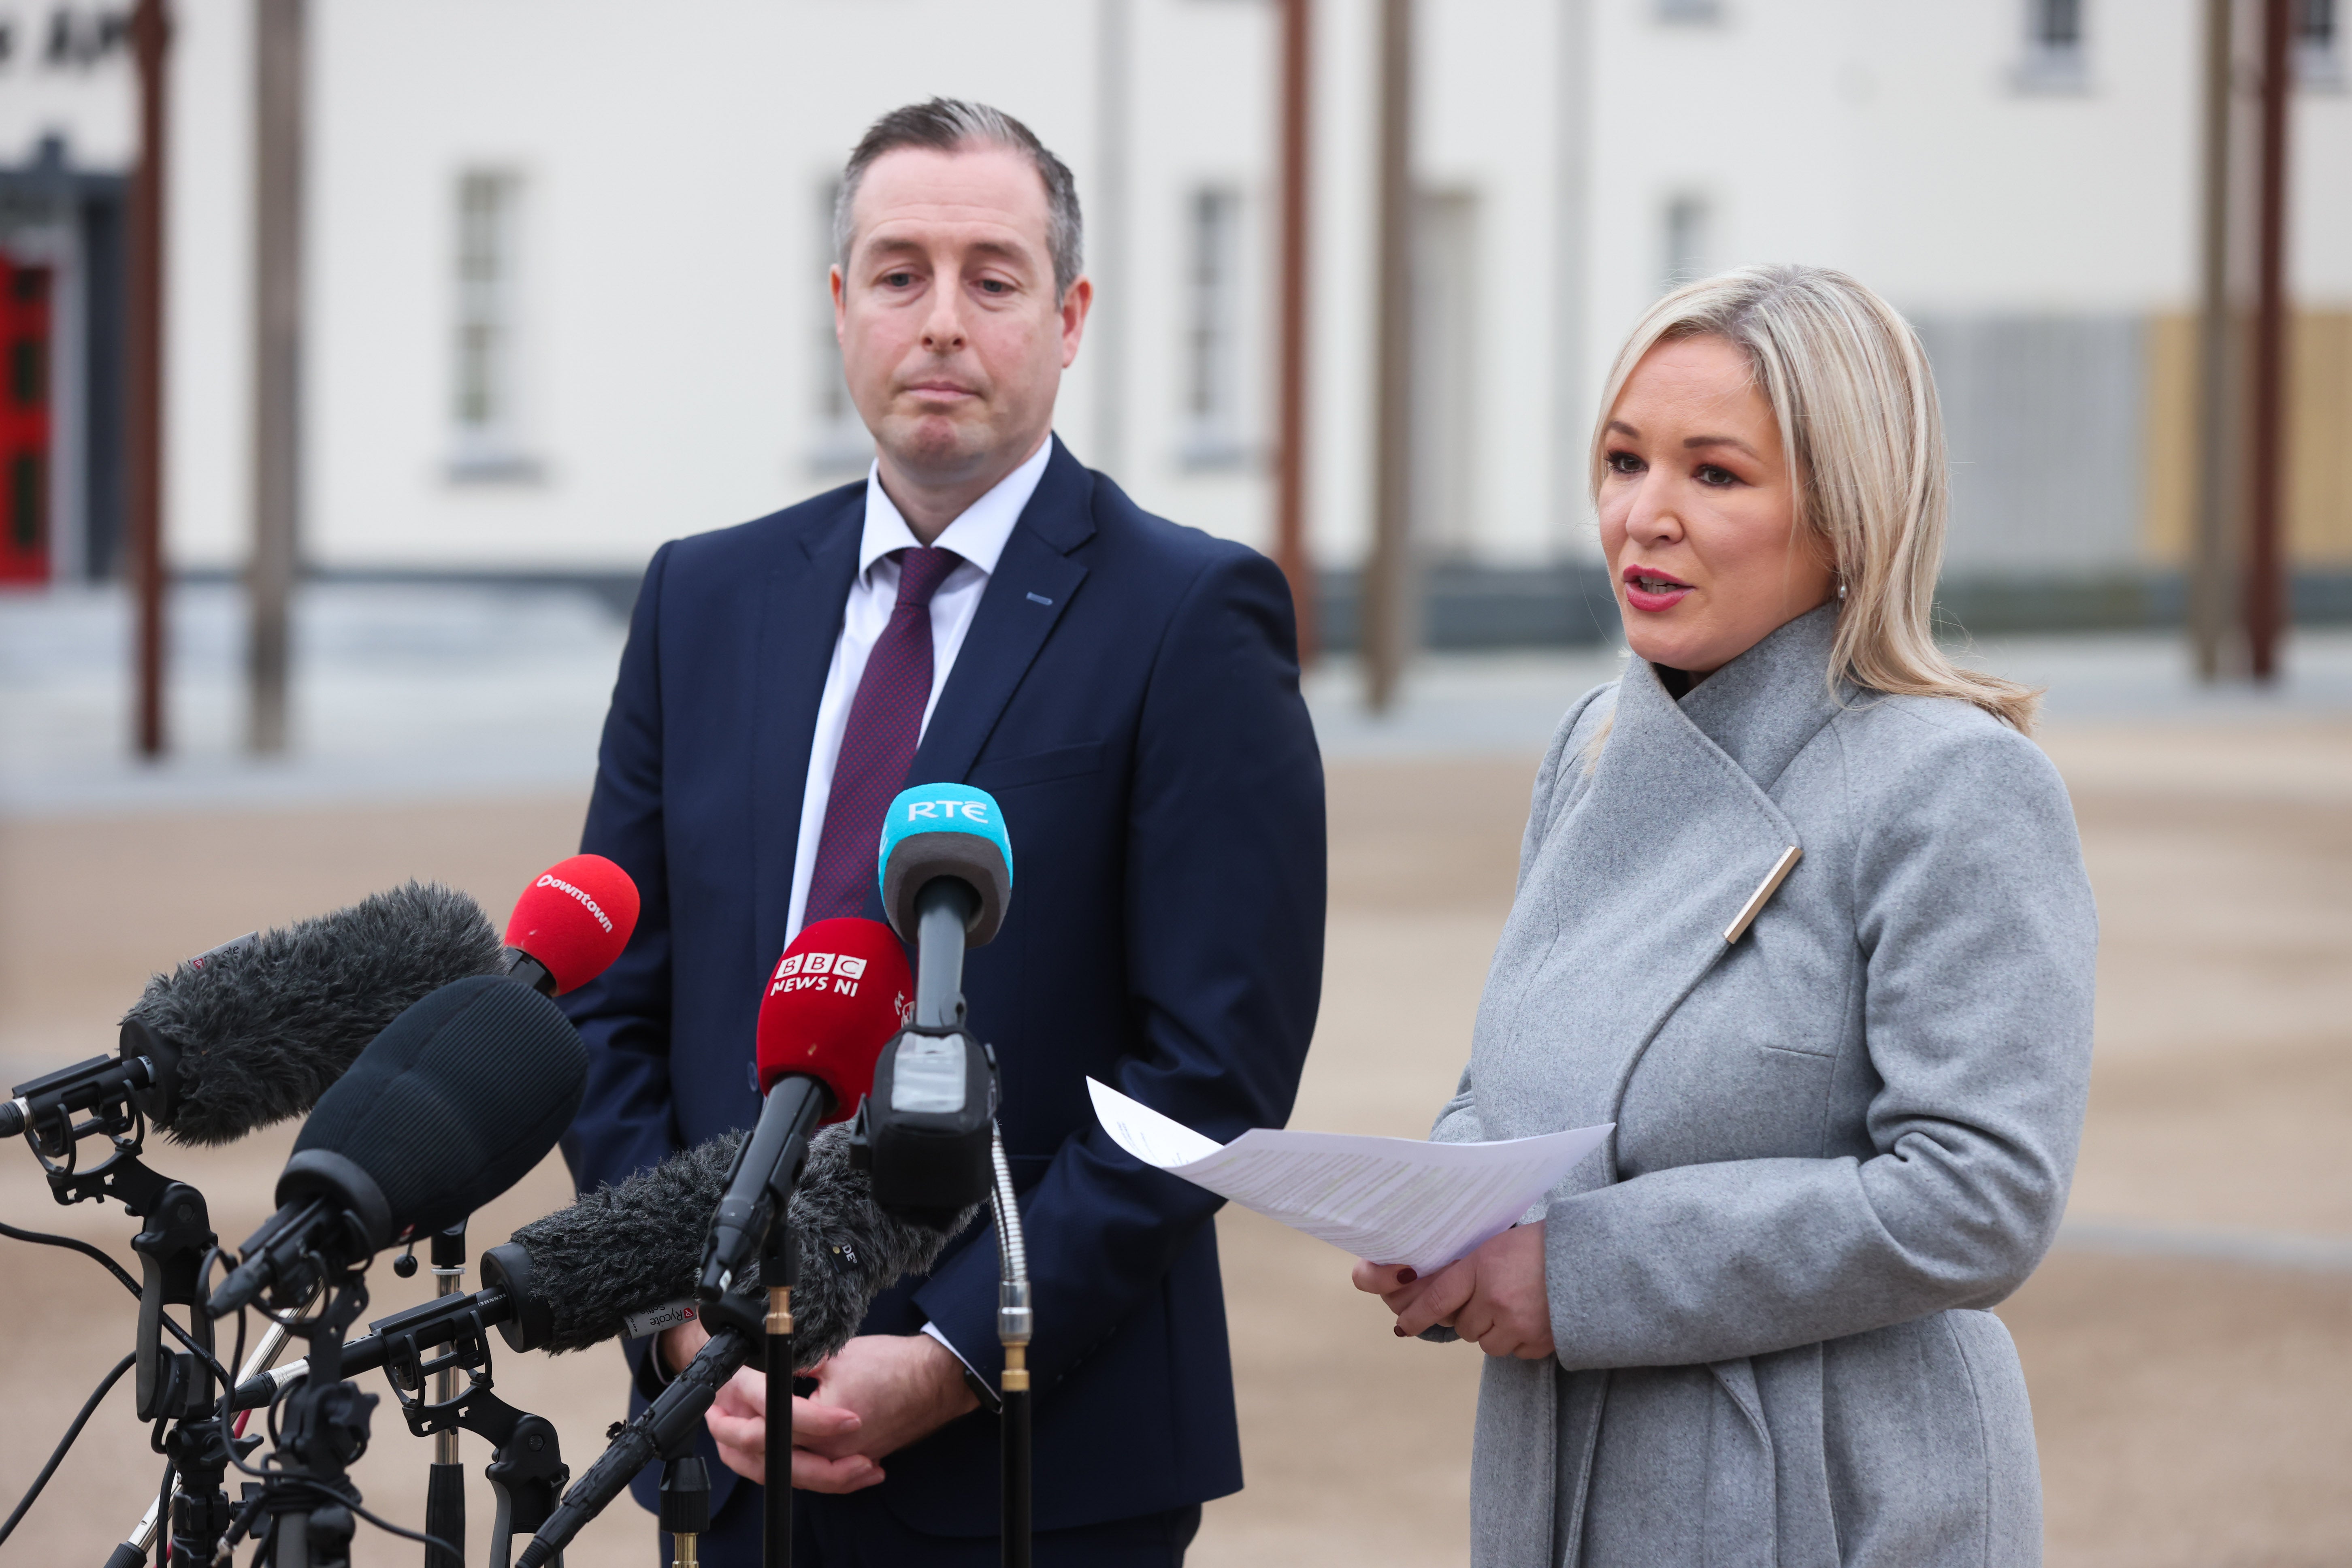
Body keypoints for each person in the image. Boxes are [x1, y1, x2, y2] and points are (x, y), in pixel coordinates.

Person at [562, 98, 1325, 1566]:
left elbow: (1211, 1065)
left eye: (994, 277)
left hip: (1042, 1456)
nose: (943, 322)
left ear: (1070, 315)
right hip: (726, 1436)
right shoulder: (698, 603)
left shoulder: (1191, 617)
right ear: (842, 305)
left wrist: (959, 1355)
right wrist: (678, 1311)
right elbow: (610, 995)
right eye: (900, 273)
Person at [1353, 264, 2096, 1566]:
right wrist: (1450, 1213)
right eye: (1624, 460)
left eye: (1716, 475)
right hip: (1562, 1467)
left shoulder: (1957, 785)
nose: (1644, 516)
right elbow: (1509, 1075)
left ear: (1849, 515)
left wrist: (1578, 1275)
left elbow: (1981, 1195)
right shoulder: (1592, 747)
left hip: (1839, 1488)